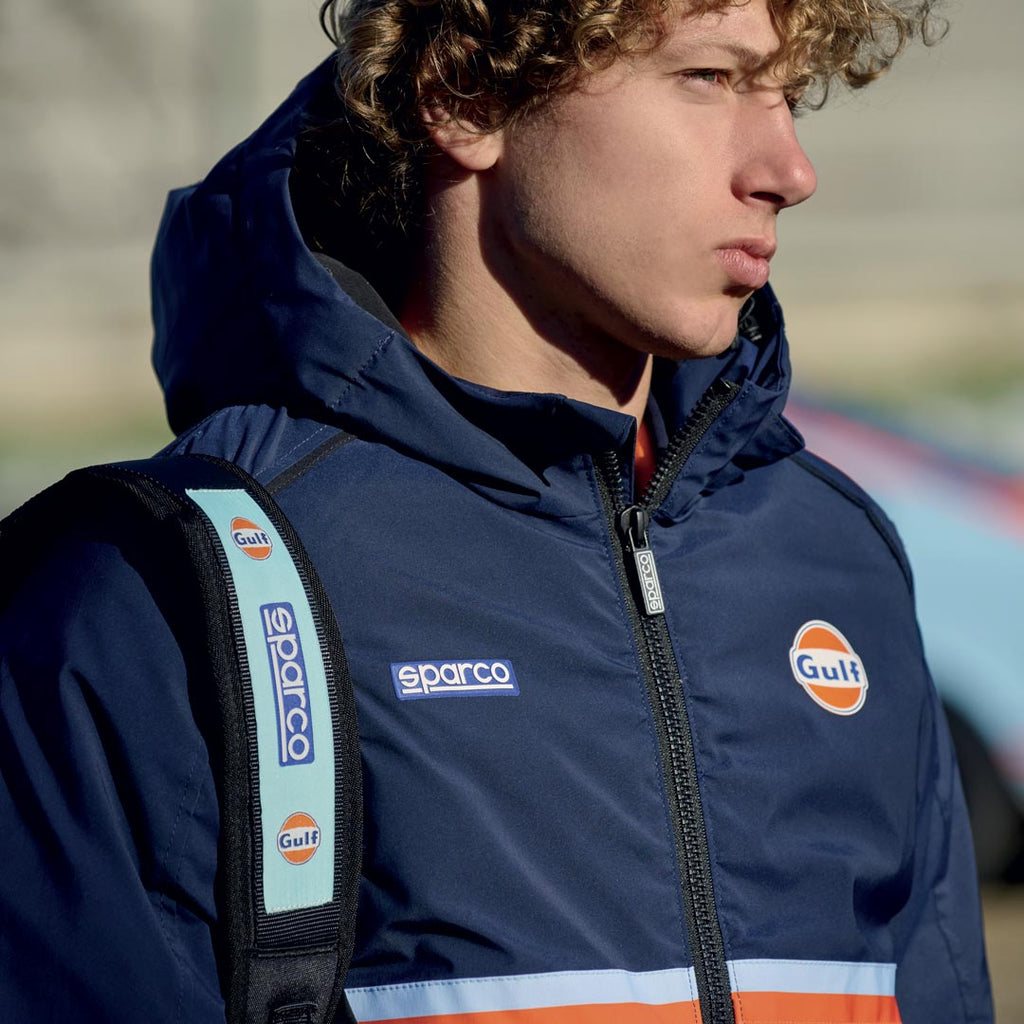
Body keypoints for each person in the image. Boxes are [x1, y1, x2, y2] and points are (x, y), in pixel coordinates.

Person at [0, 0, 994, 1021]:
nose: (790, 169)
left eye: (788, 95)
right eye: (710, 79)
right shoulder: (159, 588)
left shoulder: (838, 555)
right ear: (466, 95)